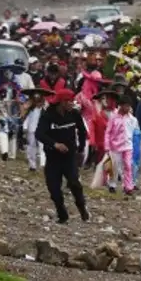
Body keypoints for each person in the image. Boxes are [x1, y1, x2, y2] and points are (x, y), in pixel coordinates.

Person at [35, 88, 90, 224]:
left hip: (69, 156)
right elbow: (39, 134)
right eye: (68, 101)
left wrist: (81, 149)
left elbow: (82, 132)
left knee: (74, 183)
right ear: (61, 102)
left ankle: (82, 207)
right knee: (54, 189)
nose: (71, 103)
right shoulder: (48, 115)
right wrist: (55, 144)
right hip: (53, 157)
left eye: (72, 101)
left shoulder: (75, 114)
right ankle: (62, 214)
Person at [104, 98, 137, 195]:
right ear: (121, 106)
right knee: (114, 166)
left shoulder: (132, 119)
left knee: (128, 165)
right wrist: (107, 145)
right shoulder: (113, 118)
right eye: (125, 105)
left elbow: (134, 132)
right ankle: (112, 184)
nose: (127, 108)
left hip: (128, 145)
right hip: (115, 146)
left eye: (128, 106)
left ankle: (128, 187)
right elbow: (108, 132)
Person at [22, 92, 46, 172]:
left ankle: (43, 164)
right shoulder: (31, 110)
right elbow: (27, 119)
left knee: (42, 147)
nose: (38, 103)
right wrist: (25, 127)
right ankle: (32, 165)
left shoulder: (45, 111)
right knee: (31, 147)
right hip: (31, 130)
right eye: (36, 101)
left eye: (39, 101)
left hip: (42, 131)